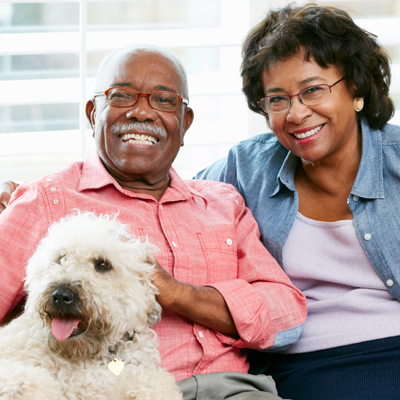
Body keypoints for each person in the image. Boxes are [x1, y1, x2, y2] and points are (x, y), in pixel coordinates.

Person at [0, 45, 307, 400]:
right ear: (92, 113)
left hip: (232, 391)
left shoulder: (221, 202)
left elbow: (288, 316)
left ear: (185, 121)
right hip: (101, 389)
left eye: (163, 100)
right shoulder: (47, 199)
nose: (142, 112)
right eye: (122, 95)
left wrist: (176, 292)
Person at [195, 3, 400, 400]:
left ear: (355, 86)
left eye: (312, 90)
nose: (296, 114)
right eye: (277, 99)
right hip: (297, 367)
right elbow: (167, 203)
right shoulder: (245, 168)